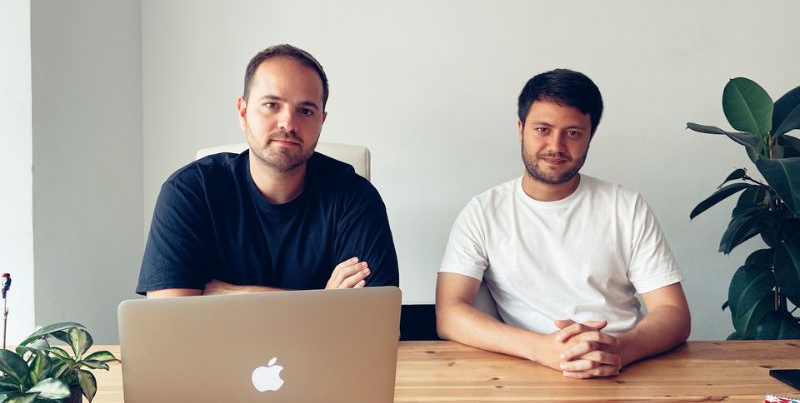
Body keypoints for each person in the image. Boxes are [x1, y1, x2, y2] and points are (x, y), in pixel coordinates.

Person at [436, 69, 690, 379]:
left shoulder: (626, 207)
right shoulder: (482, 213)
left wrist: (620, 349)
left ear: (590, 136)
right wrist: (540, 348)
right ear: (520, 129)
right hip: (527, 370)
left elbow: (673, 312)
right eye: (543, 129)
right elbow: (449, 313)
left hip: (626, 368)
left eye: (572, 133)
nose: (555, 146)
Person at [137, 44, 399, 297]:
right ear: (243, 112)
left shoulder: (354, 198)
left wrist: (222, 293)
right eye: (272, 105)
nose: (288, 123)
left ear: (322, 121)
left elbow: (372, 317)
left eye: (305, 110)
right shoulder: (190, 191)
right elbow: (171, 316)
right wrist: (323, 302)